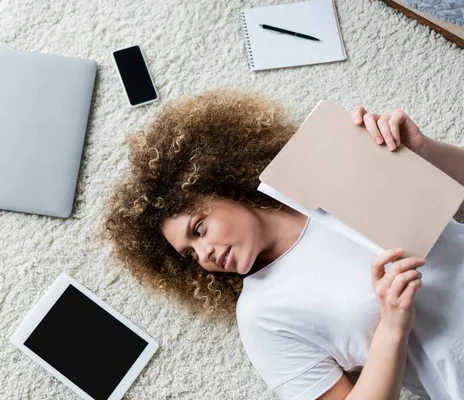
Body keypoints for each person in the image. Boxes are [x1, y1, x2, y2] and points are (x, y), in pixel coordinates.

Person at [103, 89, 464, 400]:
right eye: (190, 255)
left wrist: (422, 152)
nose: (205, 255)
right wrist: (392, 327)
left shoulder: (331, 170)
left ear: (223, 188)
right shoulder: (262, 315)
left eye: (199, 229)